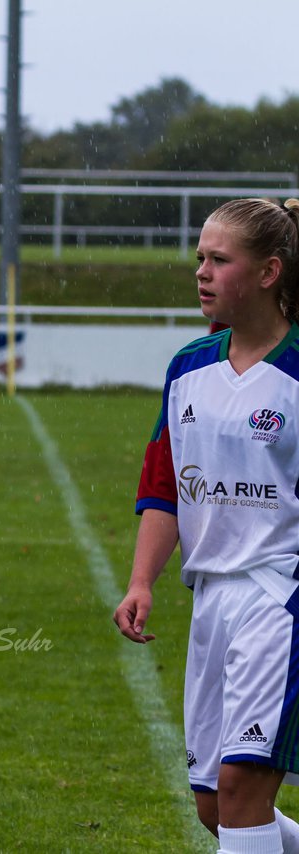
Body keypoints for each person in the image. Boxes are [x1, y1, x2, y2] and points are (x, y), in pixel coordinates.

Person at [115, 197, 299, 854]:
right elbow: (164, 486)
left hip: (281, 597)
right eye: (200, 258)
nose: (202, 272)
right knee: (214, 807)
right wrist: (141, 582)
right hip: (212, 599)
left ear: (270, 271)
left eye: (220, 260)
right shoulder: (189, 368)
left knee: (243, 787)